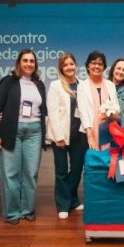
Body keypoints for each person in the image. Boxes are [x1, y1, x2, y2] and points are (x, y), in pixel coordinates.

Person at [0, 49, 47, 225]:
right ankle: (12, 213)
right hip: (11, 131)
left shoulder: (39, 84)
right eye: (25, 60)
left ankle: (27, 210)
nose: (29, 64)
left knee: (31, 173)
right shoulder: (8, 82)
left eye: (32, 61)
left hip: (34, 132)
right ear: (19, 63)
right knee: (11, 174)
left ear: (35, 64)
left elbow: (43, 110)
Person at [46, 53, 86, 220]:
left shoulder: (83, 85)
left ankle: (73, 200)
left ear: (75, 65)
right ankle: (63, 204)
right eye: (65, 65)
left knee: (76, 170)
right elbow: (53, 112)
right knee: (62, 171)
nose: (69, 67)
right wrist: (58, 136)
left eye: (71, 64)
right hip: (61, 135)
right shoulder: (56, 85)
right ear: (61, 68)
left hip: (80, 135)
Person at [77, 50, 119, 151]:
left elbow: (116, 106)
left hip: (109, 132)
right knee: (91, 159)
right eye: (93, 63)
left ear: (104, 67)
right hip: (88, 133)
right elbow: (83, 111)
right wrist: (90, 136)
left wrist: (113, 113)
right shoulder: (82, 86)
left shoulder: (110, 85)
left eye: (100, 64)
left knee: (109, 159)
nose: (97, 66)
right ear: (88, 66)